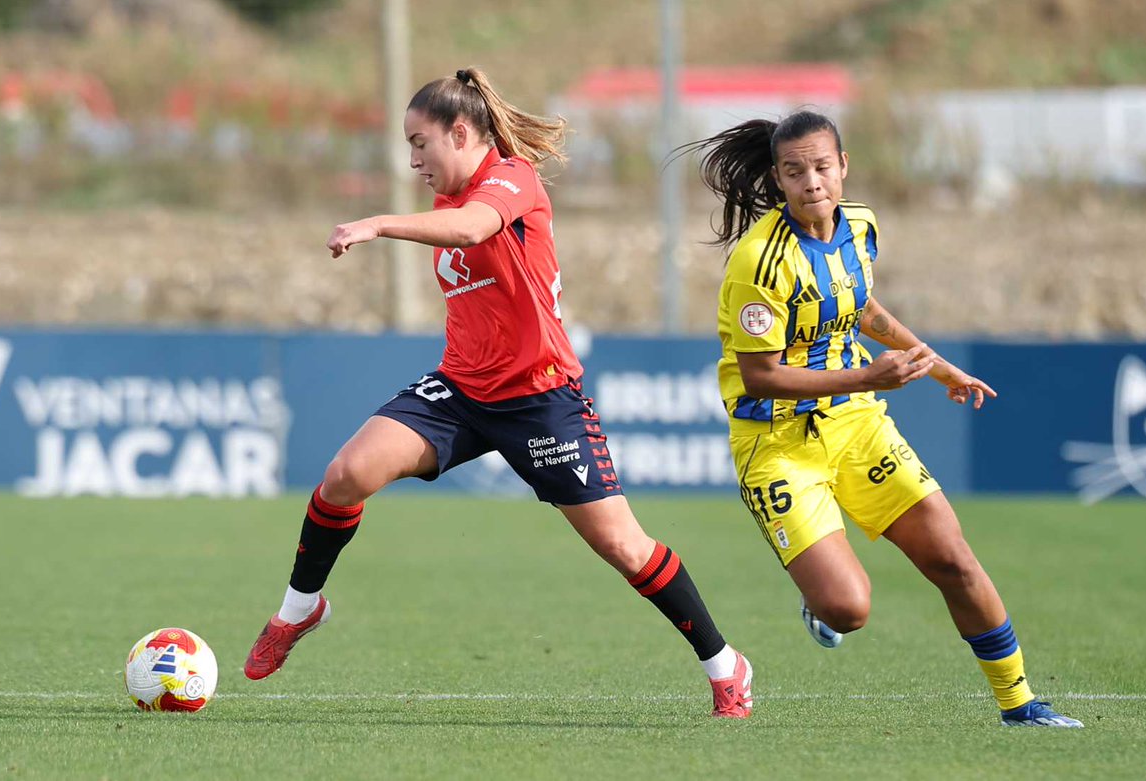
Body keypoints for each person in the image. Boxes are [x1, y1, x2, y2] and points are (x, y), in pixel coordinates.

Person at [243, 68, 752, 718]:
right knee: (346, 473)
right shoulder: (446, 196)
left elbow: (472, 231)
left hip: (542, 398)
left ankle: (725, 663)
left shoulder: (511, 180)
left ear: (461, 131)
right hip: (460, 389)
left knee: (624, 546)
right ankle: (299, 609)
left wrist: (375, 223)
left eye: (419, 142)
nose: (413, 159)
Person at [680, 110, 1081, 727]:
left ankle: (1020, 703)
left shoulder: (861, 225)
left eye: (821, 166)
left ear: (843, 165)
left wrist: (939, 367)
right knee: (849, 610)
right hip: (778, 442)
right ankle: (821, 602)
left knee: (952, 558)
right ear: (779, 180)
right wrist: (872, 375)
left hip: (857, 423)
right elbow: (760, 375)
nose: (812, 181)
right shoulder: (759, 263)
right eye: (794, 172)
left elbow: (862, 308)